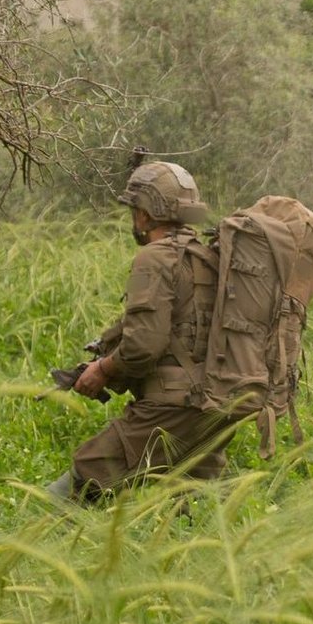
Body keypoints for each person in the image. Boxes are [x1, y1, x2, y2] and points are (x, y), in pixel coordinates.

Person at [45, 162, 232, 502]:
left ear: (145, 215)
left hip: (173, 406)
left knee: (81, 481)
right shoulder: (211, 257)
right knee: (197, 512)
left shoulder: (155, 257)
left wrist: (102, 370)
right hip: (217, 407)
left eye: (135, 210)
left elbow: (145, 344)